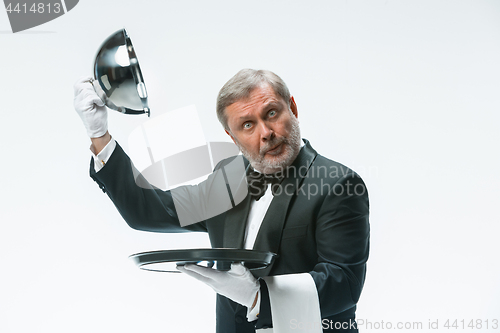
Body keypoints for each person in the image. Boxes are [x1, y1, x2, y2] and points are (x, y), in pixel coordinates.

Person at [74, 69, 370, 332]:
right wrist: (100, 136)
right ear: (232, 136)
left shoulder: (338, 184)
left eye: (271, 114)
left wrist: (258, 297)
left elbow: (344, 283)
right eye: (247, 125)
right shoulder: (228, 178)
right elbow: (151, 210)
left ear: (292, 107)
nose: (266, 133)